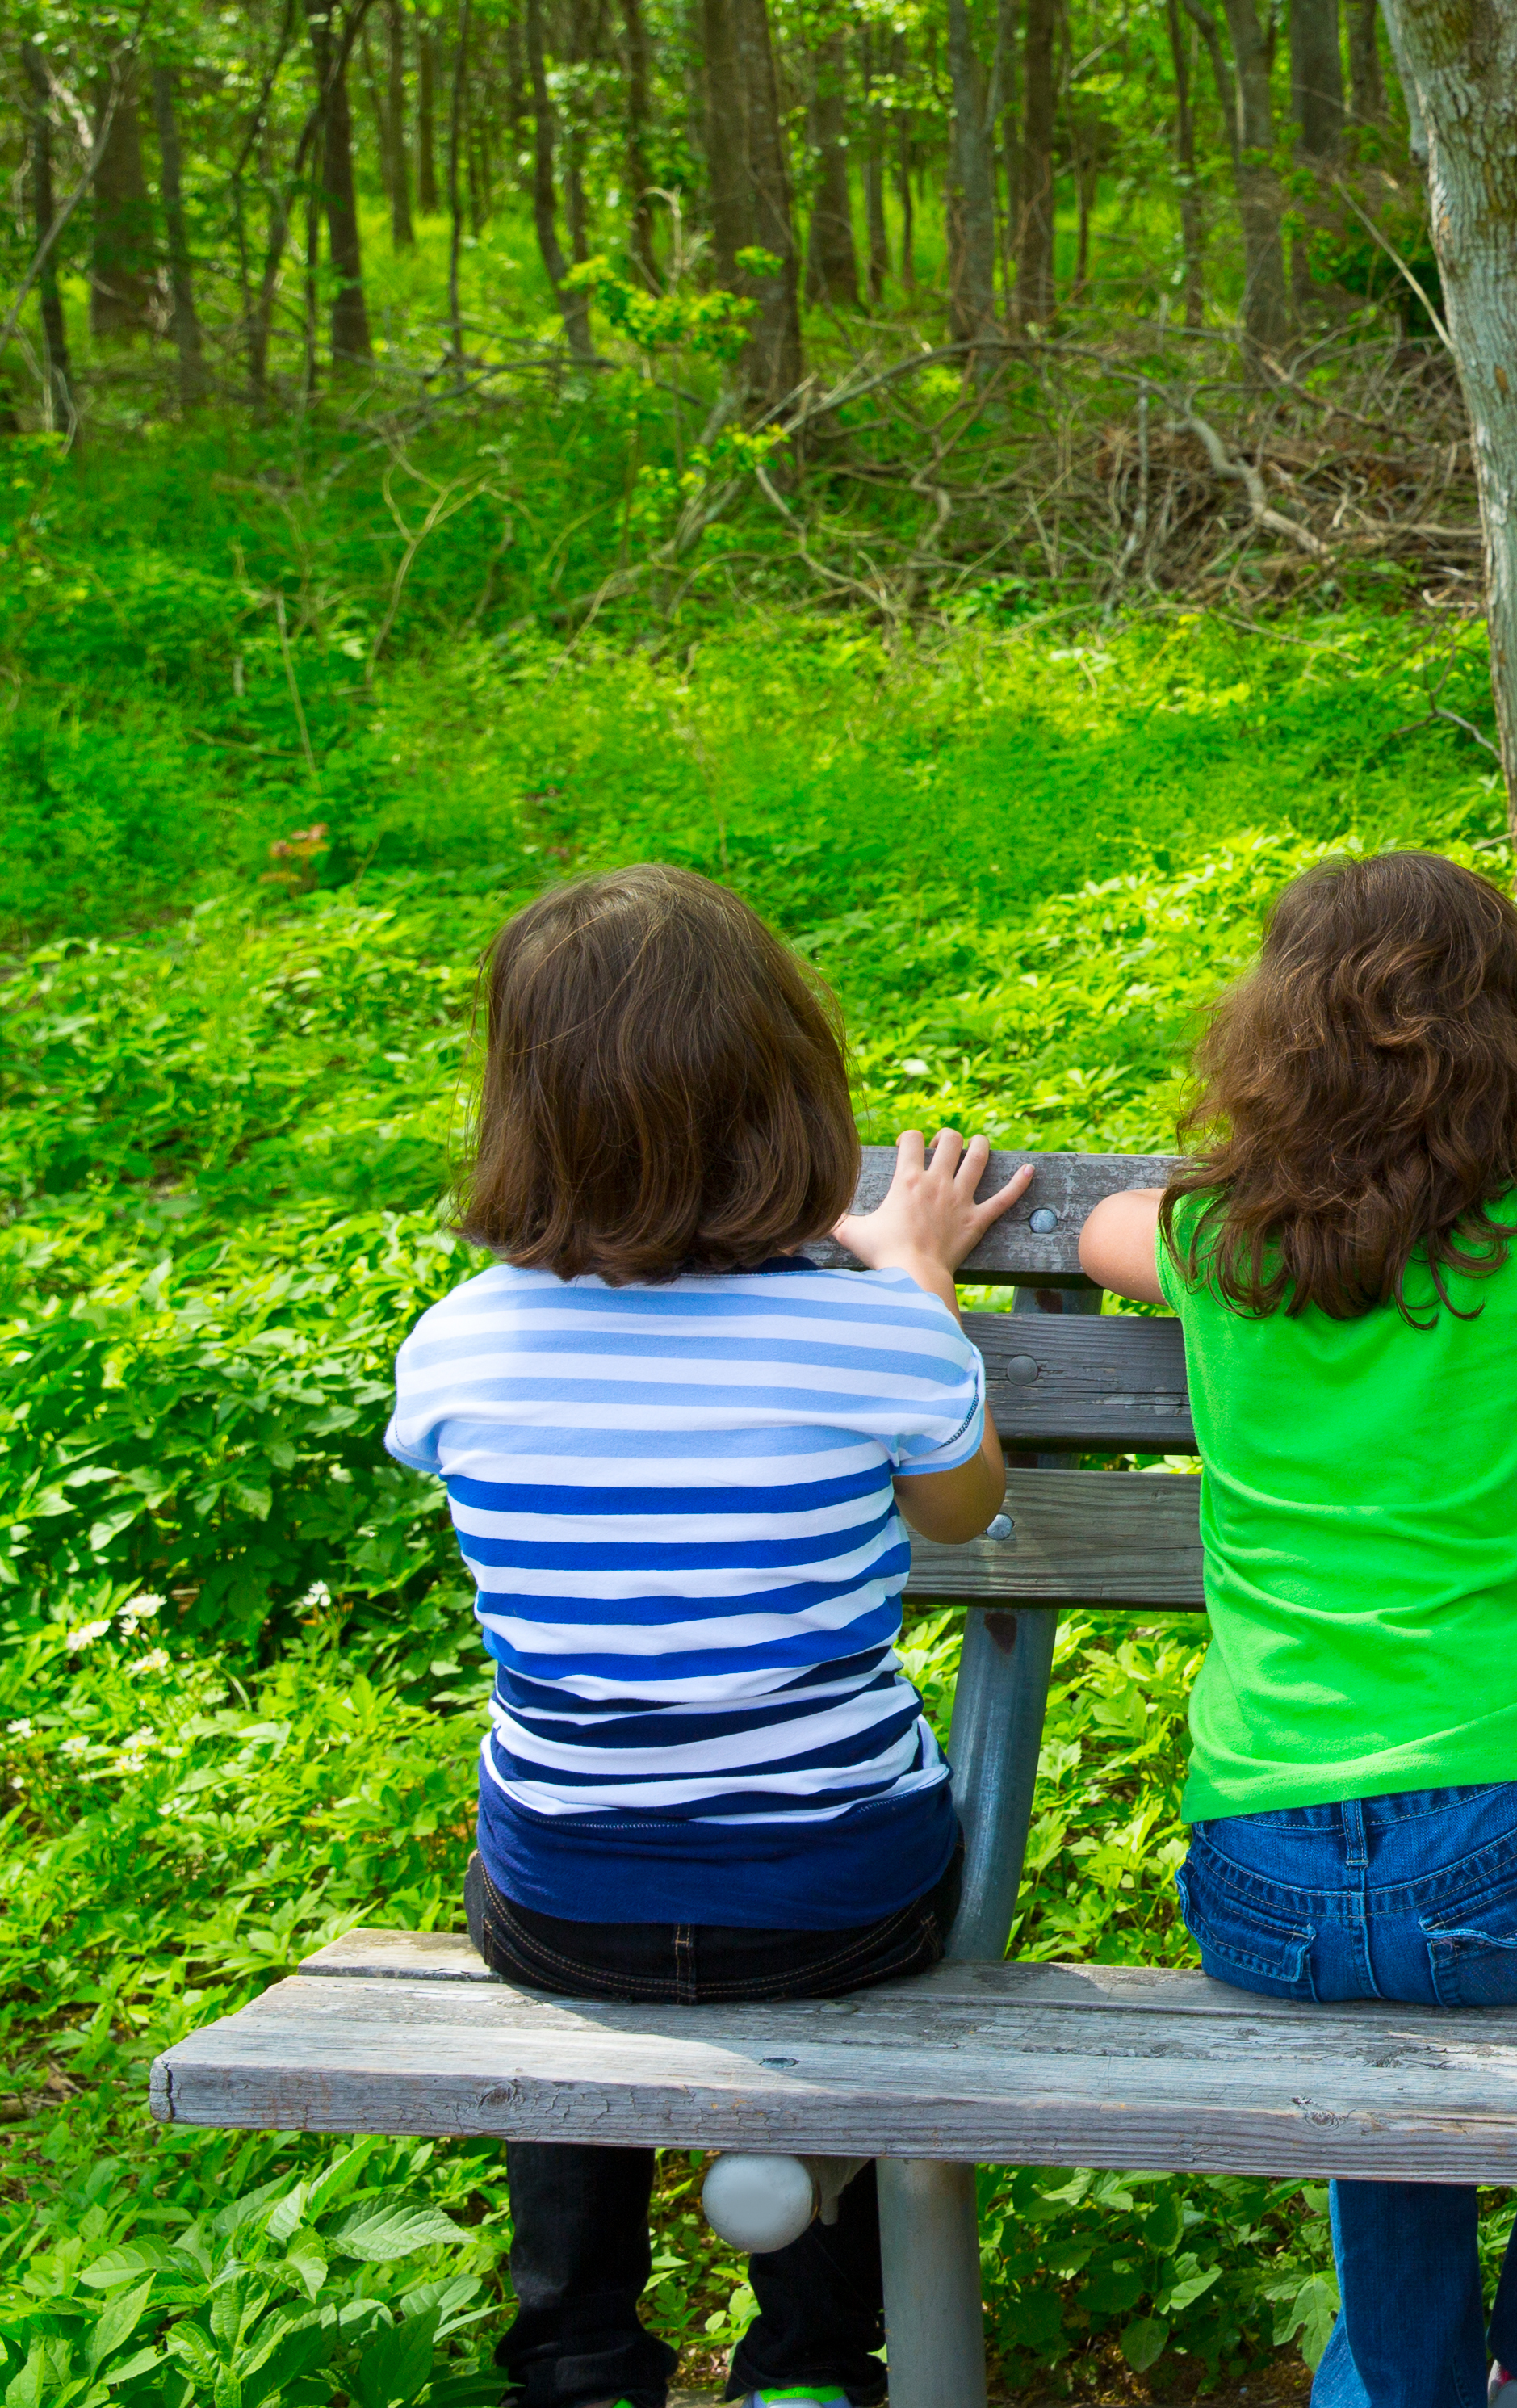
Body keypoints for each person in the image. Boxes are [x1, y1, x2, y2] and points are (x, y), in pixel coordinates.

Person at [388, 862, 1031, 2408]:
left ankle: (579, 2356)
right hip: (838, 1900)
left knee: (568, 1927)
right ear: (786, 1092)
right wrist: (918, 1281)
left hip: (564, 1894)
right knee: (815, 1924)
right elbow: (962, 1517)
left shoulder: (460, 1341)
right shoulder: (871, 1329)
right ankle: (814, 2362)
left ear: (523, 1114)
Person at [1079, 851, 1517, 2408]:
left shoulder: (1217, 1248)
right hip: (1505, 1832)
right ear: (1516, 1045)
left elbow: (1101, 1237)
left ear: (1272, 1046)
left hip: (1259, 1869)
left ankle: (1397, 2386)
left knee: (1380, 2055)